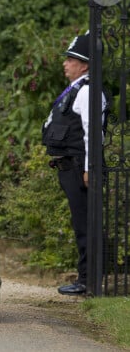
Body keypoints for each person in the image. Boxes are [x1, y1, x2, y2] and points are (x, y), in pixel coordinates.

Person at [42, 31, 107, 296]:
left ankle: (89, 281)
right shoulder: (77, 89)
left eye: (71, 59)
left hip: (80, 166)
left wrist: (89, 168)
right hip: (70, 165)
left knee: (85, 224)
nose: (65, 63)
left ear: (85, 64)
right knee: (80, 222)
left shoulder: (89, 91)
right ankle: (86, 277)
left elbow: (94, 133)